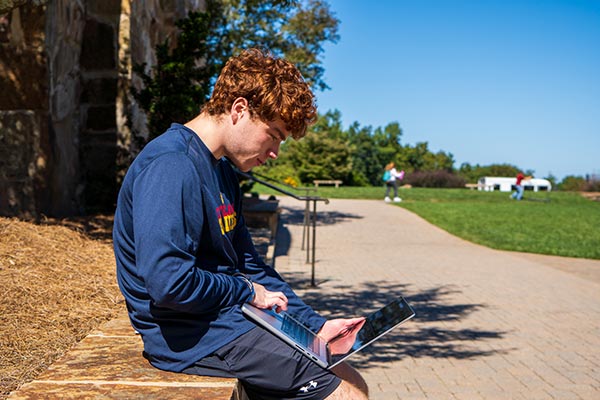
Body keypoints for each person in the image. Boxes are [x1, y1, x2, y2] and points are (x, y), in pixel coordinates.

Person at [113, 48, 369, 400]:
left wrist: (315, 325)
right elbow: (169, 284)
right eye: (274, 134)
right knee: (347, 393)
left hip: (226, 321)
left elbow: (248, 264)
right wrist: (245, 292)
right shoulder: (172, 166)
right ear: (239, 109)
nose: (276, 150)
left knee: (346, 373)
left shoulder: (221, 171)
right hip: (191, 337)